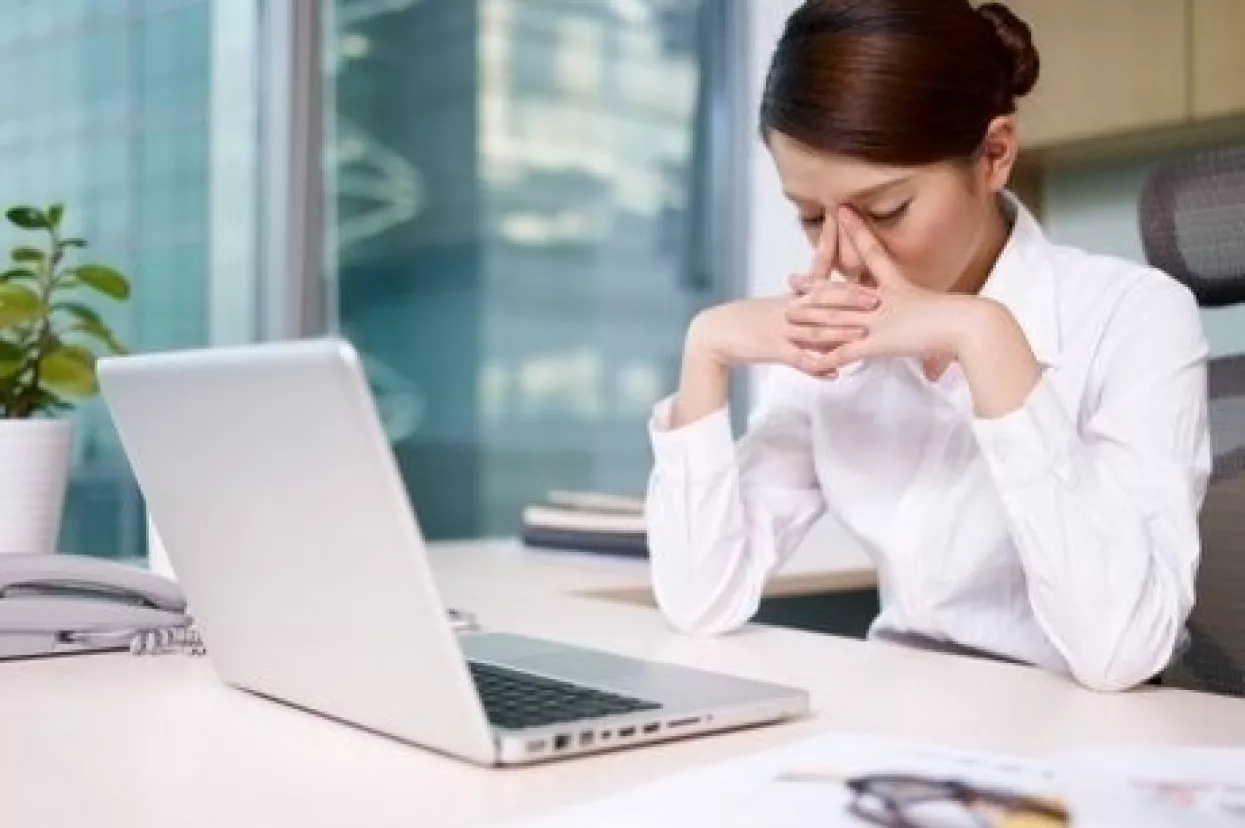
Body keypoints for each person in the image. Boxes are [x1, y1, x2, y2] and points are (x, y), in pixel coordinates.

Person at [644, 0, 1211, 693]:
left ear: (994, 155)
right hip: (903, 714)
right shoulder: (835, 332)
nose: (844, 255)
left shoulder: (1135, 317)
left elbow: (1119, 652)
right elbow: (701, 599)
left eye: (886, 211)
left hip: (1085, 737)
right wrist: (705, 350)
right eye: (810, 217)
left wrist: (981, 333)